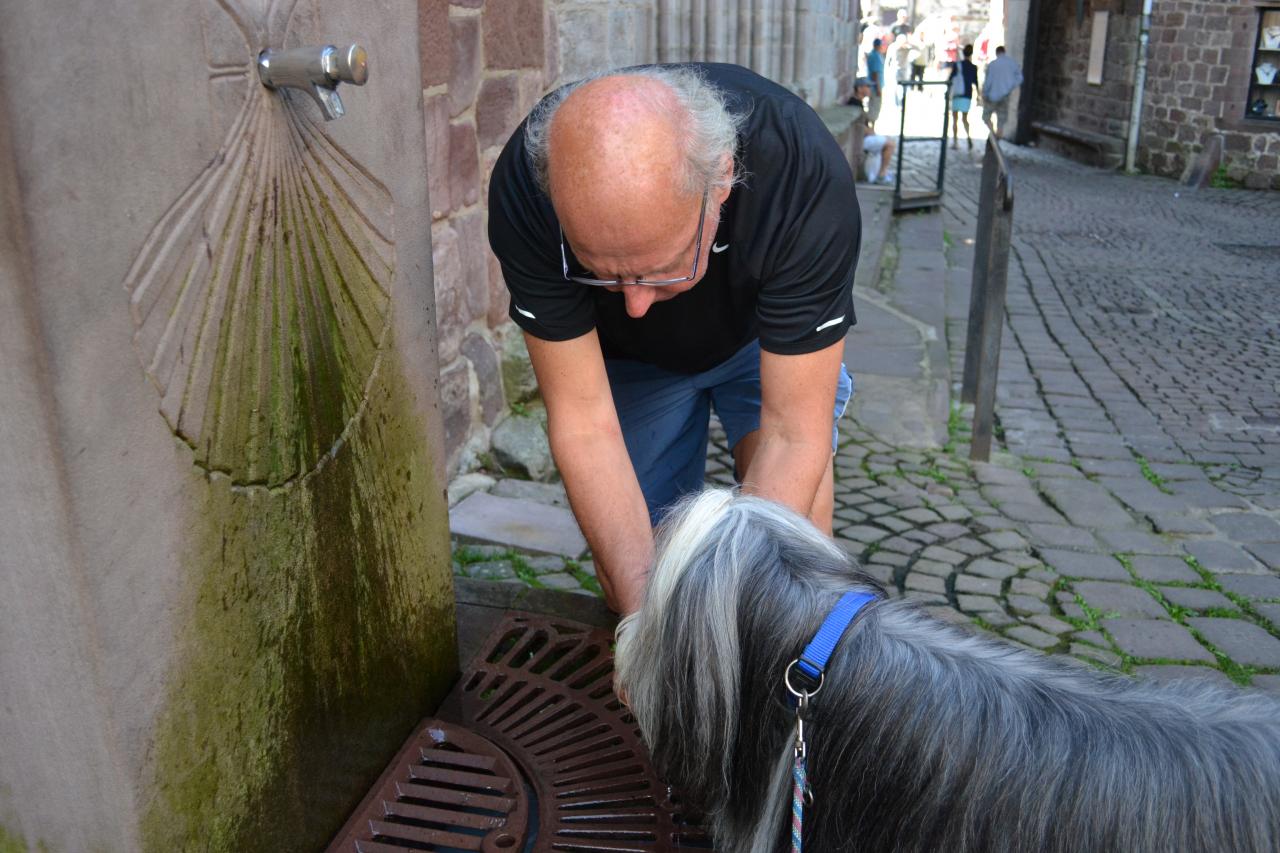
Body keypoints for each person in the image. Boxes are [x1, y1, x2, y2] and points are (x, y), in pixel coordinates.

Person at [487, 64, 859, 614]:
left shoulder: (800, 172)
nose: (634, 304)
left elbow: (791, 434)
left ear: (724, 180)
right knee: (639, 577)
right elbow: (585, 426)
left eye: (661, 270)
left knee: (792, 565)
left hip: (761, 340)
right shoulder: (527, 187)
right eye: (603, 274)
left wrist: (728, 629)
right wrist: (652, 637)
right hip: (627, 362)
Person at [845, 77, 896, 185]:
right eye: (867, 87)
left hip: (863, 138)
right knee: (890, 144)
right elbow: (859, 128)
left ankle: (880, 173)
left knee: (886, 141)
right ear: (859, 89)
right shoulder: (855, 103)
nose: (869, 89)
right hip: (860, 141)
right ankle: (881, 176)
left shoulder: (859, 102)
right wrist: (870, 131)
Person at [982, 45, 1024, 139]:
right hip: (1005, 95)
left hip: (992, 95)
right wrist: (1010, 86)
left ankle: (993, 134)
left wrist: (984, 93)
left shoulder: (993, 64)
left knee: (986, 116)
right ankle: (998, 136)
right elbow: (1020, 78)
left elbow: (988, 81)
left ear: (997, 53)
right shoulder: (1012, 64)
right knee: (1001, 119)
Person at [948, 44, 980, 150]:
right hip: (967, 94)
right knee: (965, 119)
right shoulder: (973, 67)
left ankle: (955, 142)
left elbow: (950, 78)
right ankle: (968, 138)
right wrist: (979, 95)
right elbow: (975, 82)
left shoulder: (958, 65)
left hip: (957, 93)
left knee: (955, 119)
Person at [865, 38, 888, 128]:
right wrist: (878, 88)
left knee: (873, 106)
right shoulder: (876, 56)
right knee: (874, 107)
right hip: (875, 86)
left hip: (873, 85)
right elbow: (875, 73)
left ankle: (870, 126)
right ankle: (870, 127)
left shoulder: (873, 55)